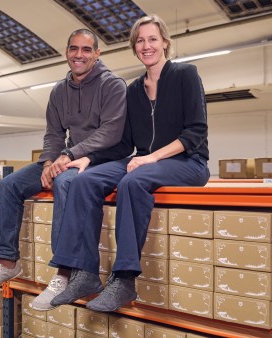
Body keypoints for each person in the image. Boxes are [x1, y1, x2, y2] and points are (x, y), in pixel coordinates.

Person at [47, 14, 210, 312]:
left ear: (164, 43)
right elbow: (124, 144)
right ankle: (84, 273)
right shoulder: (134, 90)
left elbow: (195, 133)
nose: (146, 46)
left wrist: (150, 157)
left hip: (188, 161)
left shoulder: (186, 74)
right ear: (134, 47)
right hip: (143, 160)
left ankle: (124, 279)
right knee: (84, 181)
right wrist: (88, 158)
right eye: (140, 40)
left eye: (152, 39)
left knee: (131, 181)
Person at [0, 28, 128, 311]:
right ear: (66, 52)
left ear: (97, 53)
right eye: (73, 49)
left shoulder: (113, 85)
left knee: (65, 182)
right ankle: (7, 261)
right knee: (9, 185)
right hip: (66, 156)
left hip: (102, 158)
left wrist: (68, 156)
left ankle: (63, 273)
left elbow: (111, 132)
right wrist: (48, 162)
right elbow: (54, 134)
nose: (78, 55)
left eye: (85, 49)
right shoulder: (60, 91)